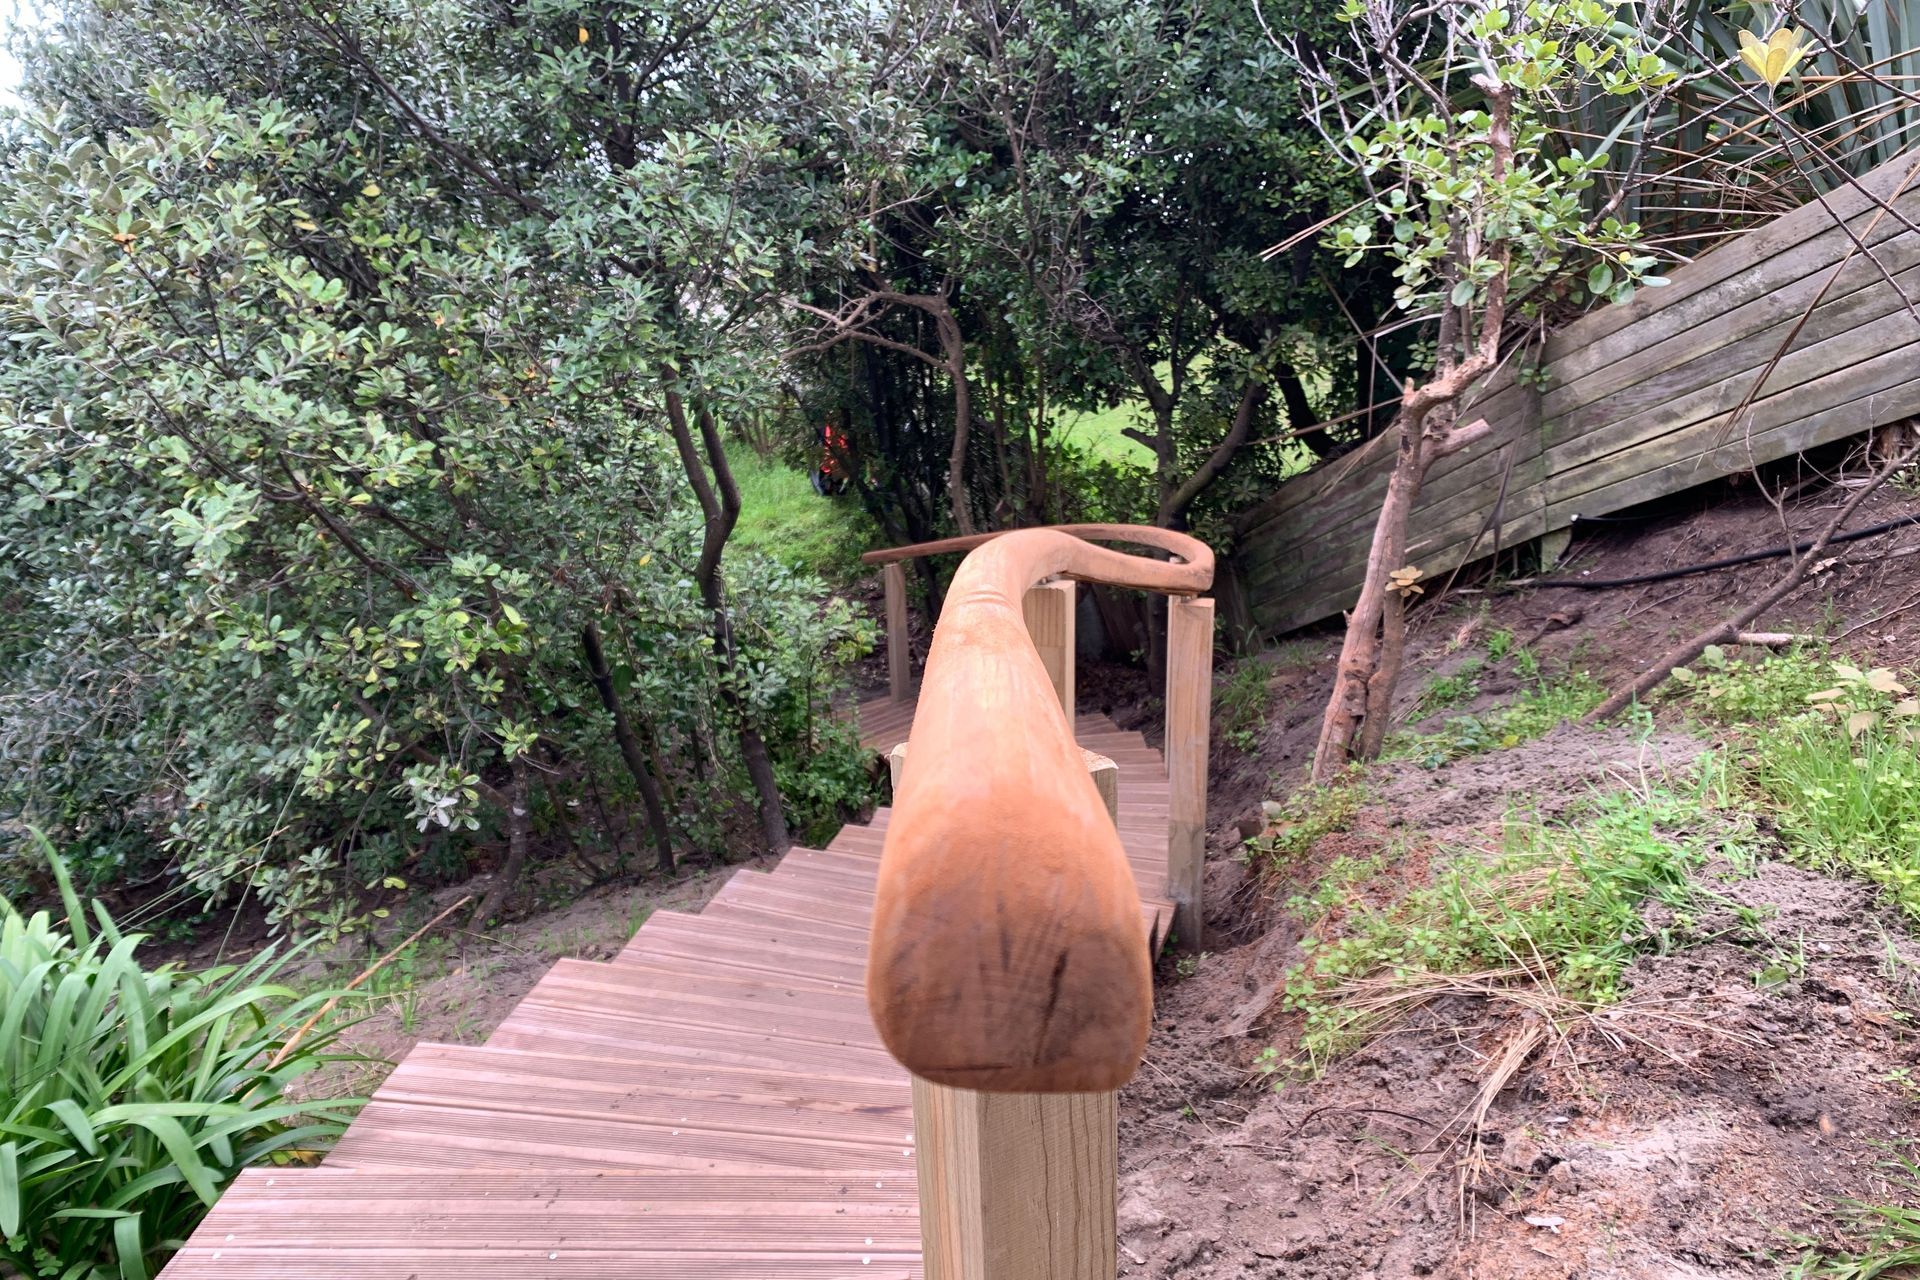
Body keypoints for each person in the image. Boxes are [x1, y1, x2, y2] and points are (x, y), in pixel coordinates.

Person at [811, 422, 850, 496]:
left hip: (835, 439)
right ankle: (829, 488)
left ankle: (836, 488)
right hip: (830, 439)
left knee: (836, 461)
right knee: (829, 460)